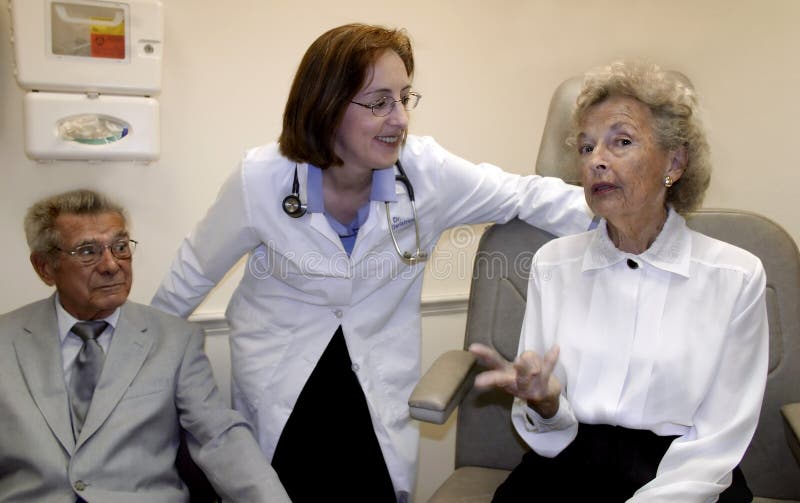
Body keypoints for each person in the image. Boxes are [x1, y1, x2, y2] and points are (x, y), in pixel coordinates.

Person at [151, 23, 592, 502]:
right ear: (326, 105)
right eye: (379, 101)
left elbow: (524, 195)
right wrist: (134, 368)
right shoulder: (262, 179)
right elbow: (190, 276)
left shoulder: (427, 173)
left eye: (405, 97)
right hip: (283, 384)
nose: (399, 118)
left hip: (372, 385)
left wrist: (627, 214)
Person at [469, 61, 768, 502]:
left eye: (621, 142)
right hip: (567, 465)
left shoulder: (737, 277)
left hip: (683, 475)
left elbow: (717, 441)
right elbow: (549, 426)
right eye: (587, 148)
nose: (596, 162)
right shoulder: (552, 264)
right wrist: (546, 404)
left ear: (675, 161)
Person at [0, 189, 290, 502]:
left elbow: (219, 436)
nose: (112, 265)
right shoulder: (7, 340)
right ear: (45, 267)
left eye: (120, 247)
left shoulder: (175, 340)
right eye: (87, 251)